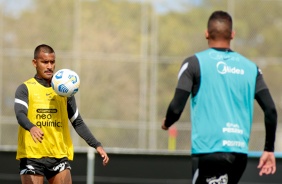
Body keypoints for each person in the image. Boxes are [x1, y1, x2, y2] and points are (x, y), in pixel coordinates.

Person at [161, 10, 277, 184]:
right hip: (239, 155)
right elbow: (271, 110)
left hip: (209, 153)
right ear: (232, 35)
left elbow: (176, 108)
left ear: (206, 34)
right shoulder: (252, 69)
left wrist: (167, 122)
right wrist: (269, 149)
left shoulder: (193, 63)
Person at [14, 44, 109, 184]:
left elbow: (77, 121)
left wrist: (96, 145)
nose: (49, 66)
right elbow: (20, 113)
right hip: (32, 155)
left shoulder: (64, 91)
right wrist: (31, 127)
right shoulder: (25, 88)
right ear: (35, 63)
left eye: (52, 62)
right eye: (44, 62)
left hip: (58, 156)